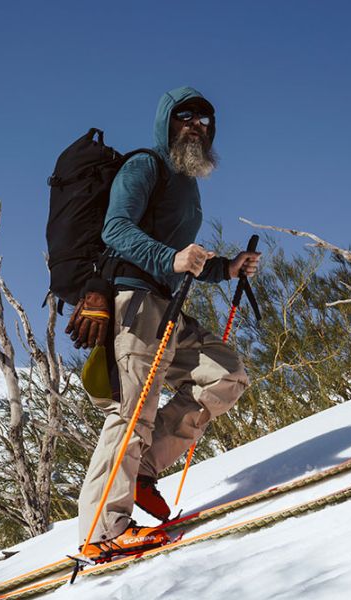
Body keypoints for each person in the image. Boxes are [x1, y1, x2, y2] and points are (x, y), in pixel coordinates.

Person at [66, 86, 260, 561]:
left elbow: (181, 259)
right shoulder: (144, 166)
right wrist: (172, 258)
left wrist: (226, 268)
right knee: (132, 412)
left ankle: (144, 471)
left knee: (225, 374)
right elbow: (116, 230)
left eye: (205, 120)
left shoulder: (187, 182)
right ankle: (101, 530)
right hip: (133, 302)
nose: (197, 125)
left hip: (165, 304)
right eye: (186, 116)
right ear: (166, 122)